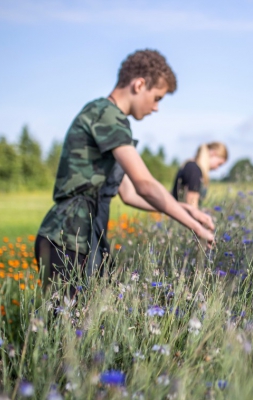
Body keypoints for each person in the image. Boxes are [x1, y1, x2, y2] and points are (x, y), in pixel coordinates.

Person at [36, 49, 215, 294]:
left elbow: (131, 194)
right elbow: (145, 184)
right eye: (157, 98)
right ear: (139, 84)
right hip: (67, 239)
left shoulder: (112, 120)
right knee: (65, 327)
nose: (156, 108)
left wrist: (186, 208)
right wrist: (194, 226)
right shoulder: (106, 114)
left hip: (87, 238)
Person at [172, 142, 228, 209]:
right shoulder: (194, 170)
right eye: (219, 164)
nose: (217, 168)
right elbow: (192, 206)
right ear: (213, 153)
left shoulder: (191, 166)